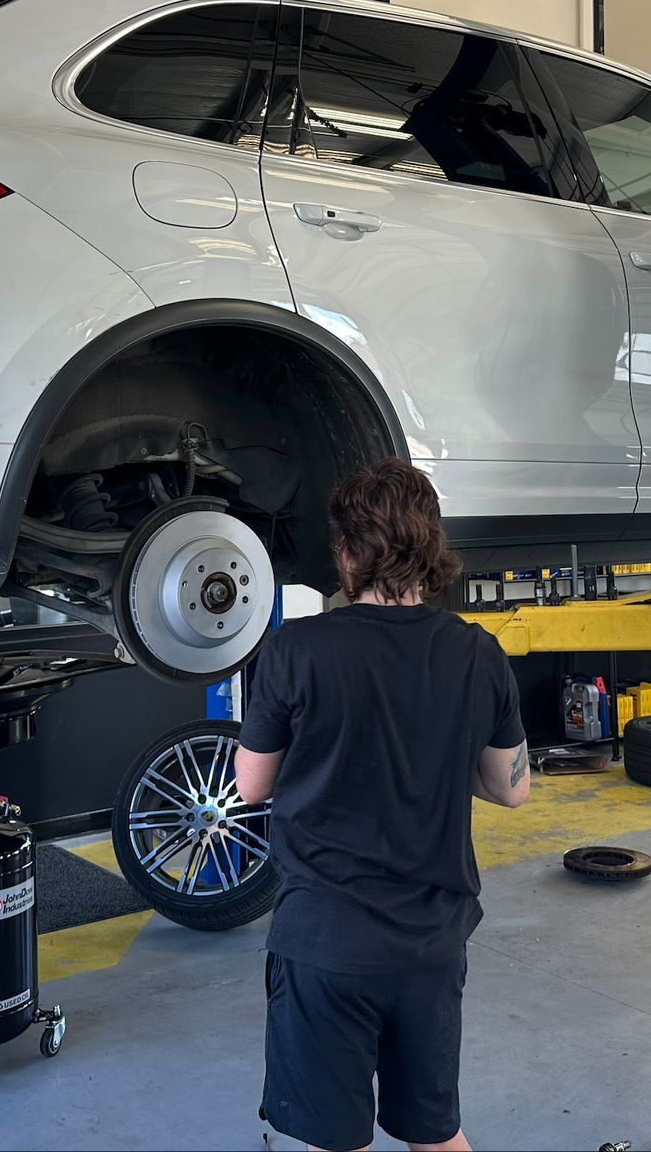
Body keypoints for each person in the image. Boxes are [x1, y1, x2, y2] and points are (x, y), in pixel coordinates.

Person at [235, 457, 530, 1152]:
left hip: (326, 943)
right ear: (430, 545)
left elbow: (251, 785)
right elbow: (511, 787)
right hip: (430, 945)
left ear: (345, 550)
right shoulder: (477, 652)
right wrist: (441, 758)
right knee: (436, 1134)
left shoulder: (294, 649)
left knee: (338, 1141)